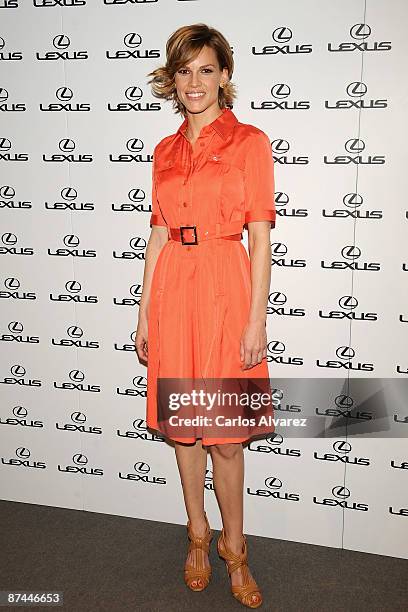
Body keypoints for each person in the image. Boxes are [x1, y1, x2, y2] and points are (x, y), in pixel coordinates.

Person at [136, 23, 277, 609]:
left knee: (225, 440)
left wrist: (255, 321)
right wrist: (145, 312)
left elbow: (261, 237)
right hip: (174, 287)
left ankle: (234, 547)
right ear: (172, 80)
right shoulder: (164, 151)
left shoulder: (250, 141)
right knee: (184, 432)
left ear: (225, 75)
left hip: (225, 283)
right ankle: (197, 537)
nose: (194, 81)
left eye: (206, 69)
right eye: (184, 71)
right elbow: (158, 233)